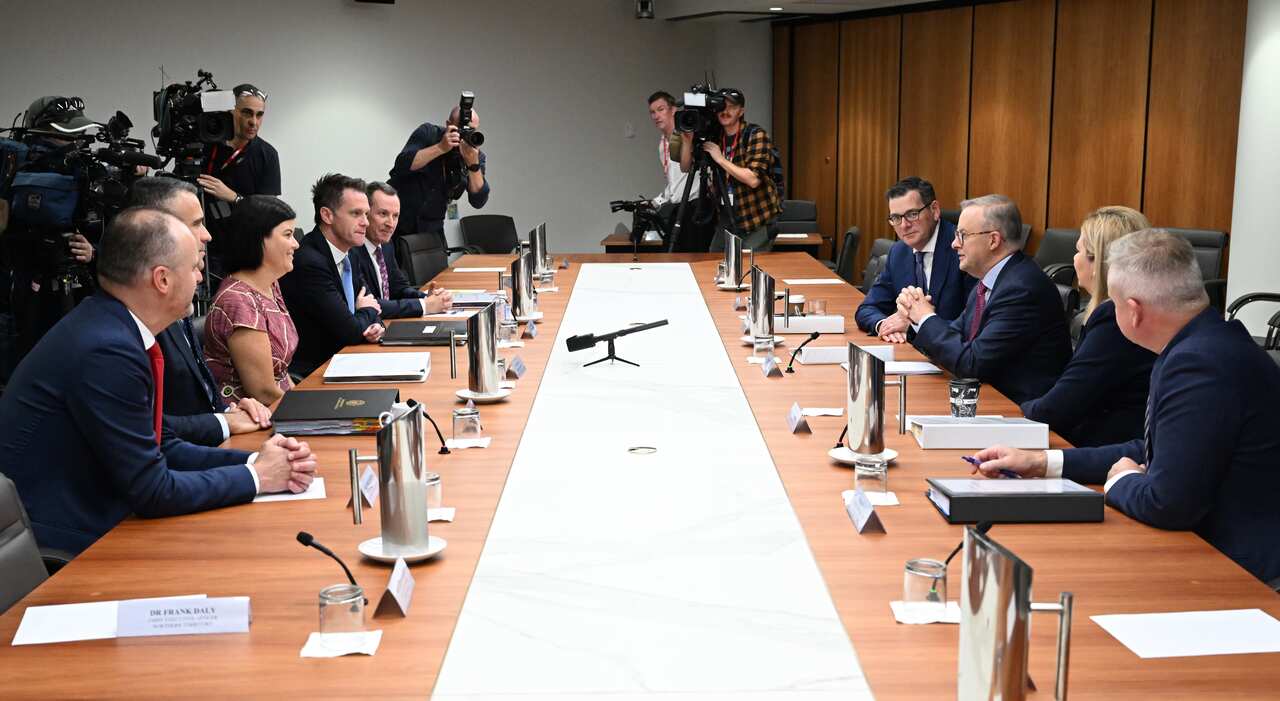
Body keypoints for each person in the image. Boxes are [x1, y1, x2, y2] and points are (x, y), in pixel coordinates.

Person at [970, 230, 1280, 588]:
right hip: (1214, 553)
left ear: (1133, 312)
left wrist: (1121, 481)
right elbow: (1158, 449)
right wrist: (1043, 462)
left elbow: (1167, 503)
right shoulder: (1205, 343)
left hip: (1245, 576)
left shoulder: (1199, 364)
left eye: (1113, 305)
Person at [0, 207, 316, 556]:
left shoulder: (113, 327)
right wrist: (259, 477)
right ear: (162, 279)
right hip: (71, 544)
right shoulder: (107, 349)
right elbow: (153, 491)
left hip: (104, 515)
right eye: (194, 268)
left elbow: (163, 446)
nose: (200, 278)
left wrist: (258, 461)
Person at [128, 177, 273, 445]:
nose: (207, 235)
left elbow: (202, 397)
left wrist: (230, 411)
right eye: (195, 224)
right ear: (156, 230)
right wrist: (223, 423)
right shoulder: (140, 318)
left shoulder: (174, 302)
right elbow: (147, 427)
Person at [896, 194, 1070, 404]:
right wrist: (916, 319)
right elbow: (959, 336)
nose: (954, 244)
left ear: (993, 240)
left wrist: (926, 319)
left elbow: (972, 364)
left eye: (962, 235)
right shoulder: (992, 280)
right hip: (988, 400)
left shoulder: (1020, 289)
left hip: (1018, 413)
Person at [1019, 206, 1156, 446]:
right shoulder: (1133, 310)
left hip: (1106, 452)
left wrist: (1015, 409)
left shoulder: (1113, 319)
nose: (1074, 258)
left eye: (1078, 250)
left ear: (1097, 262)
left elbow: (1056, 409)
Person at [4, 96, 100, 359]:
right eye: (66, 135)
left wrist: (95, 253)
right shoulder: (15, 167)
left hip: (79, 283)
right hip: (29, 284)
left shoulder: (89, 172)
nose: (76, 140)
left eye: (78, 133)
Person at [279, 173, 384, 377]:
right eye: (356, 214)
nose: (366, 222)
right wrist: (368, 313)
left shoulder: (350, 252)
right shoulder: (309, 262)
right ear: (327, 215)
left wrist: (376, 326)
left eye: (366, 214)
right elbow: (351, 331)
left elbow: (369, 303)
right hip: (316, 371)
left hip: (347, 359)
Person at [205, 196, 301, 405]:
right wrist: (311, 412)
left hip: (283, 406)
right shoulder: (237, 301)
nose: (296, 244)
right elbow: (263, 392)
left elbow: (281, 375)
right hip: (253, 419)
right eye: (288, 235)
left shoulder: (270, 284)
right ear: (258, 239)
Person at [855, 177, 973, 342]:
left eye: (912, 214)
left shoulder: (963, 249)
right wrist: (885, 325)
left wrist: (916, 326)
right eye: (896, 218)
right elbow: (867, 308)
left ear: (935, 210)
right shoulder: (899, 252)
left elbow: (973, 326)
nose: (904, 225)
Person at [679, 88, 781, 252]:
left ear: (741, 111)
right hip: (727, 217)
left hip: (755, 218)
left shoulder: (755, 135)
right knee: (713, 261)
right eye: (721, 107)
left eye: (732, 107)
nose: (725, 111)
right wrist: (687, 141)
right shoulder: (715, 136)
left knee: (747, 267)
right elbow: (685, 167)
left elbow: (753, 179)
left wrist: (720, 159)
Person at [196, 84, 281, 275]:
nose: (253, 122)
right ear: (231, 112)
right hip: (200, 243)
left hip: (241, 252)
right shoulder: (206, 145)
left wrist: (234, 197)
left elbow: (269, 215)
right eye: (246, 113)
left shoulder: (267, 155)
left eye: (259, 115)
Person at [387, 103, 489, 242]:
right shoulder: (429, 133)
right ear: (448, 125)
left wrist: (473, 165)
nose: (465, 135)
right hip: (398, 223)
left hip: (432, 227)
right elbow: (402, 165)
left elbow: (478, 201)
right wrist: (441, 147)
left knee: (441, 264)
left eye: (471, 130)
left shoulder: (475, 156)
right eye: (461, 130)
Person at [350, 181, 452, 318]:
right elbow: (372, 304)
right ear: (366, 214)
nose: (390, 224)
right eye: (383, 214)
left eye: (395, 216)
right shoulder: (352, 251)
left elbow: (399, 288)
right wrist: (425, 305)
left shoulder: (386, 245)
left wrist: (427, 297)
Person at [647, 90, 710, 252]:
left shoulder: (689, 137)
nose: (656, 116)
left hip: (695, 207)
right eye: (652, 112)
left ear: (674, 110)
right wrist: (658, 201)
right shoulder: (662, 145)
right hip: (678, 207)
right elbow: (675, 182)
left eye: (661, 109)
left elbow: (689, 169)